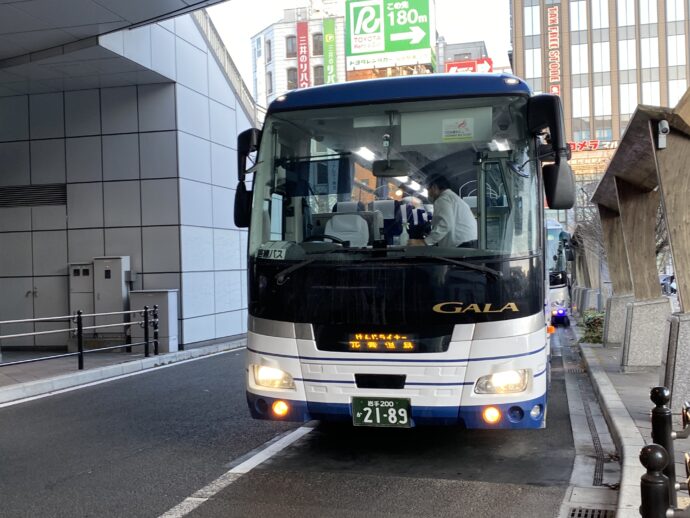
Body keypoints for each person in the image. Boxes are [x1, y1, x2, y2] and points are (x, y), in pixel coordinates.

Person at [408, 174, 477, 248]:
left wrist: (425, 242)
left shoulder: (442, 199)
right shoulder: (453, 198)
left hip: (460, 246)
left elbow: (445, 224)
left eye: (428, 189)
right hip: (469, 244)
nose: (428, 193)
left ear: (434, 187)